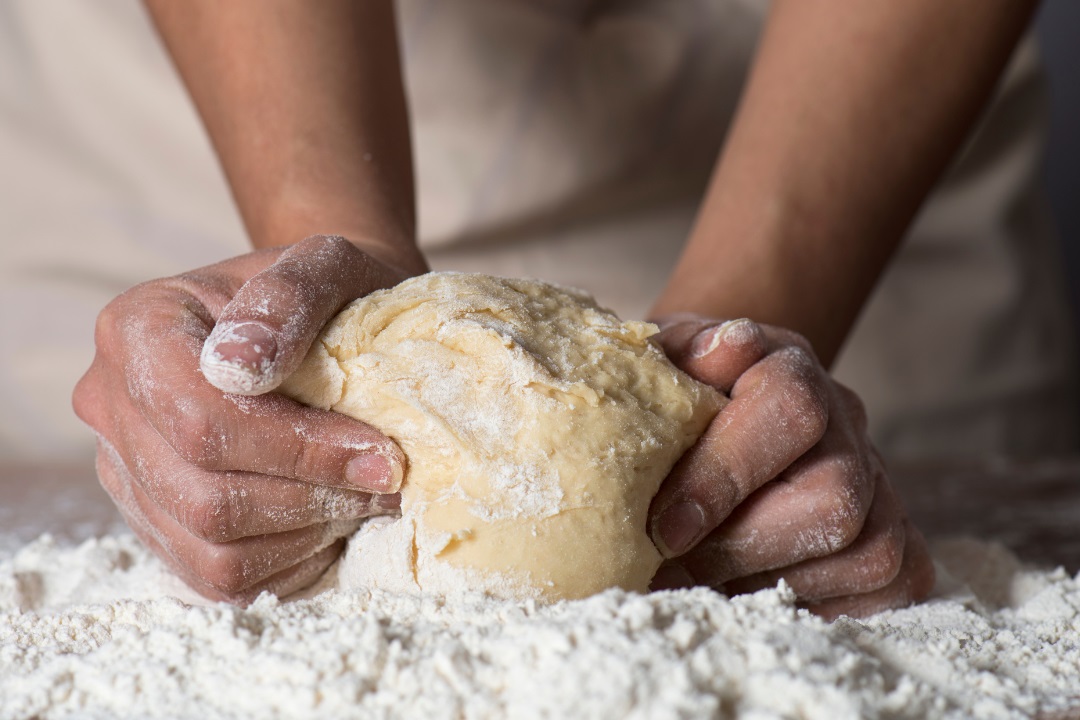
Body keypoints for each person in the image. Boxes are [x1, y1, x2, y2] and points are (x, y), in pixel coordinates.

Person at [6, 0, 1073, 616]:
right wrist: (319, 250)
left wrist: (724, 380)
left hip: (848, 188)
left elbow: (746, 411)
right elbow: (281, 314)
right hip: (211, 142)